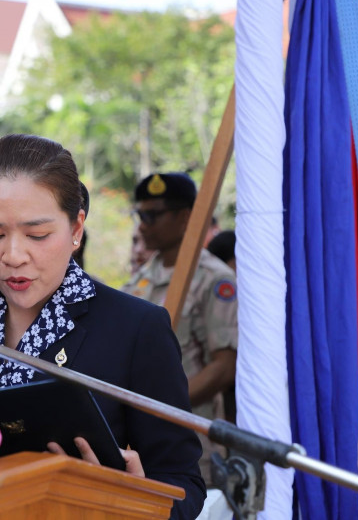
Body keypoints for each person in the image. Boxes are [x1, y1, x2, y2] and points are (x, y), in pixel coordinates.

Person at [0, 135, 204, 518]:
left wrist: (137, 502)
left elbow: (182, 481)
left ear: (76, 228)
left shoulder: (135, 329)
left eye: (37, 235)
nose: (13, 256)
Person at [121, 173, 238, 487]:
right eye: (140, 215)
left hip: (192, 439)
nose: (143, 225)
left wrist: (161, 408)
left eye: (152, 215)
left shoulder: (215, 279)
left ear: (185, 217)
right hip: (140, 442)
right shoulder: (140, 280)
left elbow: (224, 367)